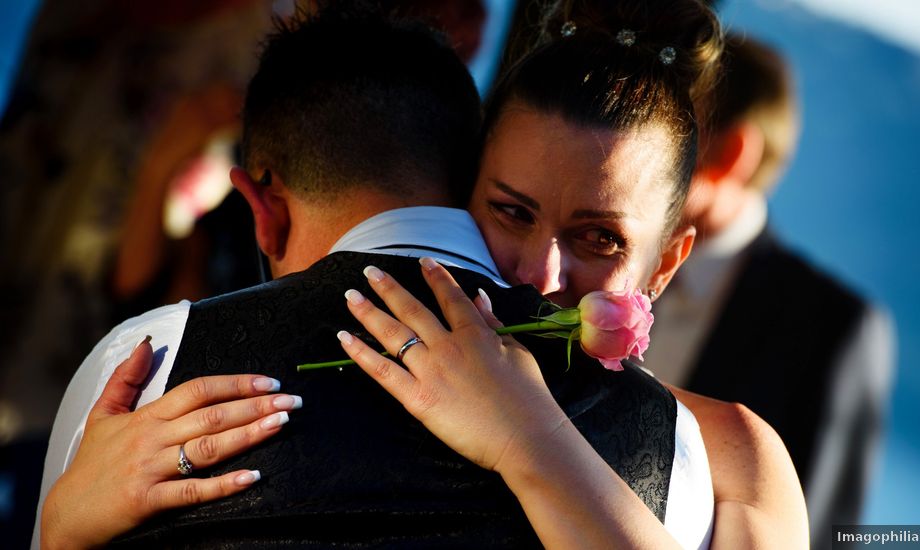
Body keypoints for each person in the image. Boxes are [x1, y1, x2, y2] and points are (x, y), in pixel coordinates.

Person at [37, 2, 807, 548]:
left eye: (598, 237)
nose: (539, 275)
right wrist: (67, 525)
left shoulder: (727, 455)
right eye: (510, 213)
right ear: (460, 188)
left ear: (668, 260)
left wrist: (529, 438)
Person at [639, 34, 894, 548]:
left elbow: (824, 528)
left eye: (674, 127)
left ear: (731, 154)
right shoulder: (597, 256)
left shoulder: (833, 327)